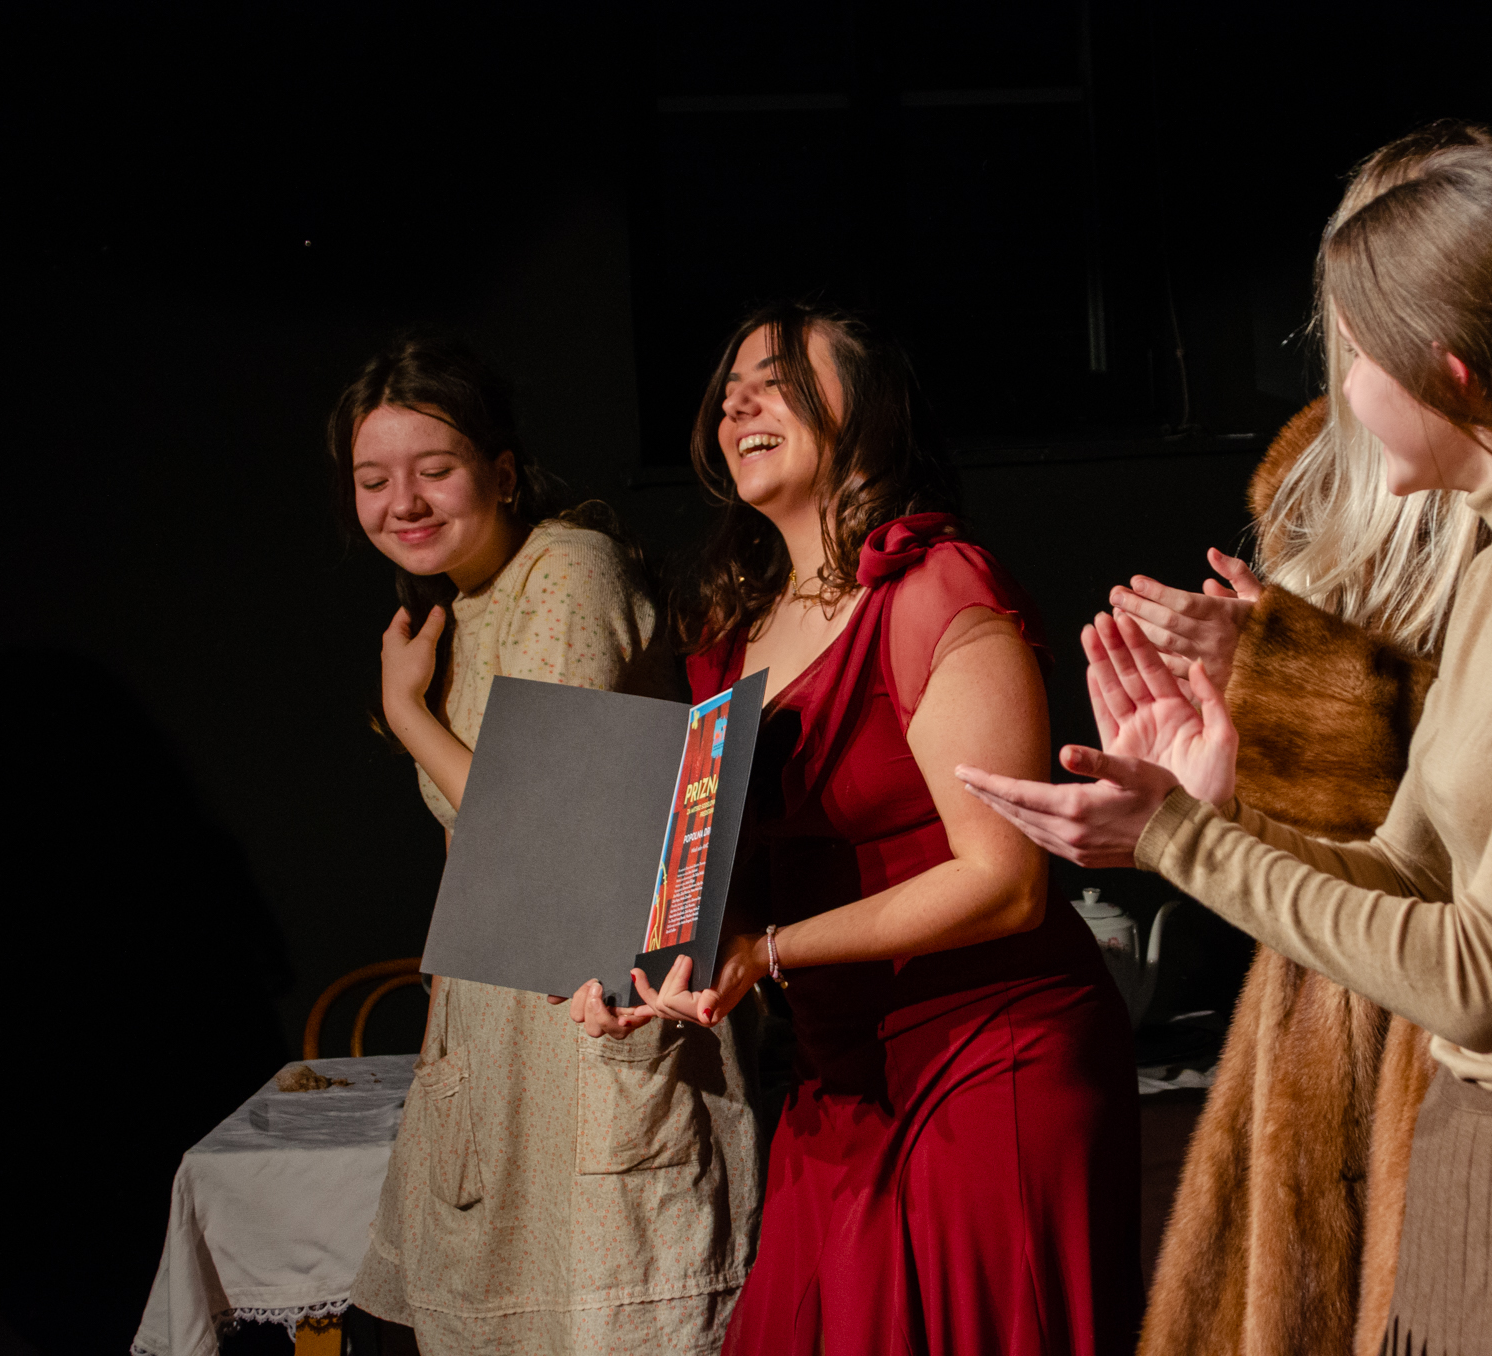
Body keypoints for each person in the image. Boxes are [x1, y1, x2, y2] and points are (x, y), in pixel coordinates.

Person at [963, 135, 1492, 1351]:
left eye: (1360, 356)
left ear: (1447, 373)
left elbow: (1481, 979)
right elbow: (1405, 866)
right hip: (1461, 1148)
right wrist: (1186, 819)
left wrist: (1177, 842)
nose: (1342, 391)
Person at [569, 302, 1139, 1355]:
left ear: (867, 410)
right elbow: (728, 886)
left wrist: (768, 953)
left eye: (778, 378)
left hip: (992, 1055)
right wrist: (638, 970)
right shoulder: (732, 636)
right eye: (729, 388)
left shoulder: (933, 585)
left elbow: (1006, 881)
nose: (738, 402)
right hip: (839, 1078)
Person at [1111, 123, 1492, 1356]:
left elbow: (1489, 777)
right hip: (1312, 995)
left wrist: (1285, 678)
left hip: (1455, 1010)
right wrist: (1214, 767)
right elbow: (1326, 818)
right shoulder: (1313, 486)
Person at [336, 334, 761, 1354]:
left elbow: (539, 830)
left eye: (434, 471)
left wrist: (407, 713)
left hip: (591, 1024)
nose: (403, 503)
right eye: (373, 481)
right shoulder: (453, 608)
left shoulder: (567, 568)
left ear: (503, 472)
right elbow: (475, 859)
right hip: (500, 1034)